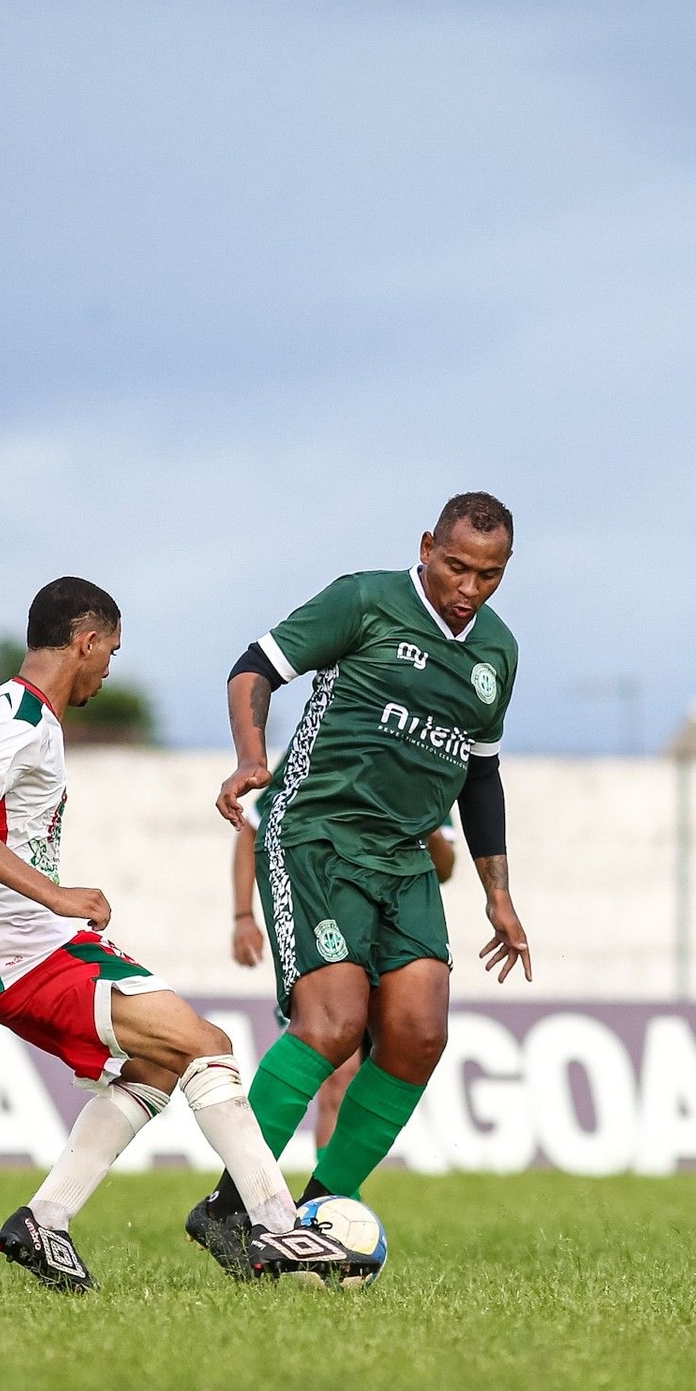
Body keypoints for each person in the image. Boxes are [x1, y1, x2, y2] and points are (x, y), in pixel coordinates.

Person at [0, 576, 360, 1291]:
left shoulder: (23, 711)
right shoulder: (21, 717)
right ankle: (278, 1228)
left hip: (25, 940)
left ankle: (46, 1220)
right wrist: (58, 894)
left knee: (159, 1062)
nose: (107, 669)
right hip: (8, 946)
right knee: (205, 1046)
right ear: (86, 642)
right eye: (111, 653)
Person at [187, 492, 531, 1273]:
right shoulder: (367, 601)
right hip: (317, 833)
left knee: (419, 1033)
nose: (468, 588)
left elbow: (481, 777)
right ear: (426, 547)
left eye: (489, 574)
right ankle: (233, 1207)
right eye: (455, 566)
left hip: (405, 855)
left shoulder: (497, 655)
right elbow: (255, 668)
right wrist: (250, 756)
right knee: (335, 1021)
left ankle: (317, 1210)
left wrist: (498, 893)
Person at [233, 808, 458, 1147]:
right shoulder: (328, 755)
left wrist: (427, 825)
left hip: (394, 947)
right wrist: (243, 915)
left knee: (394, 1061)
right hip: (330, 925)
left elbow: (444, 868)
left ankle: (330, 1196)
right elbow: (254, 824)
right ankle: (245, 1188)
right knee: (337, 1078)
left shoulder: (430, 764)